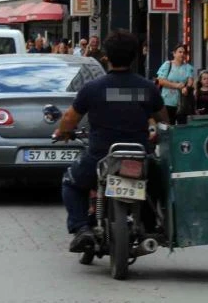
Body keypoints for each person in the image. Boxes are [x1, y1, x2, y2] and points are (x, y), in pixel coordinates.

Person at [54, 30, 168, 252]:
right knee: (156, 185)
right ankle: (150, 223)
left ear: (106, 56)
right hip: (140, 156)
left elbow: (69, 118)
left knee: (71, 183)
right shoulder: (146, 88)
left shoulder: (93, 89)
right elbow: (163, 119)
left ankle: (81, 229)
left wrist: (62, 132)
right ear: (135, 56)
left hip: (101, 156)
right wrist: (154, 129)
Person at [156, 44, 195, 125]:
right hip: (167, 101)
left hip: (182, 102)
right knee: (168, 124)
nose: (182, 54)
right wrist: (176, 86)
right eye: (179, 52)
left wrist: (187, 88)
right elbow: (161, 81)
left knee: (182, 126)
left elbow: (190, 81)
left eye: (184, 52)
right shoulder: (167, 64)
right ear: (174, 53)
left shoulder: (188, 67)